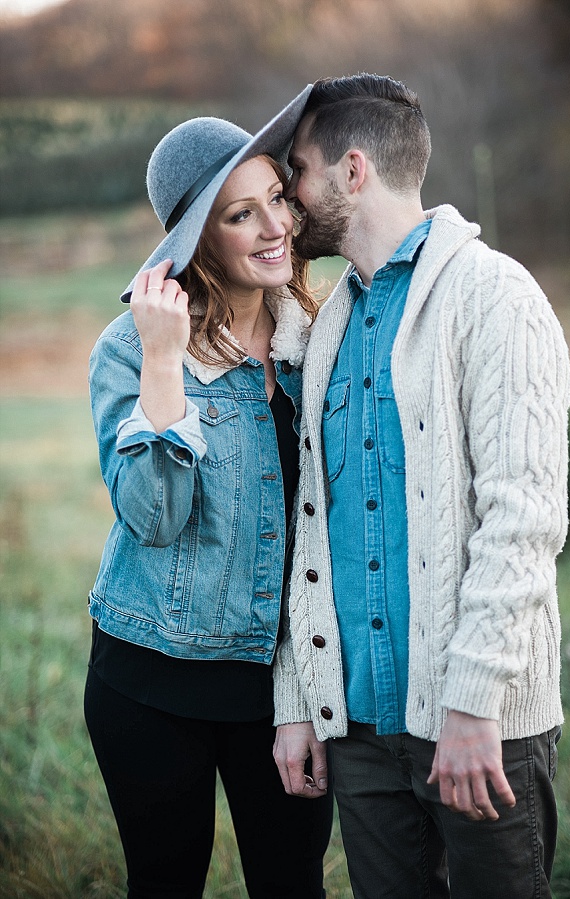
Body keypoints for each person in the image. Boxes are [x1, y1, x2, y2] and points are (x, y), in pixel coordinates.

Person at [272, 74, 570, 899]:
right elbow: (312, 528)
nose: (287, 198)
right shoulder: (328, 323)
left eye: (297, 171)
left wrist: (474, 705)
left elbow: (524, 519)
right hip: (364, 731)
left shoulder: (497, 297)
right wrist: (300, 697)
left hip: (480, 727)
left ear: (353, 170)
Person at [83, 86, 334, 899]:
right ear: (198, 242)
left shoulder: (317, 343)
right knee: (164, 883)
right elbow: (153, 515)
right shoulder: (129, 350)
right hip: (150, 678)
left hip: (287, 688)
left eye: (276, 199)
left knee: (291, 883)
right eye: (240, 214)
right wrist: (165, 364)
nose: (275, 228)